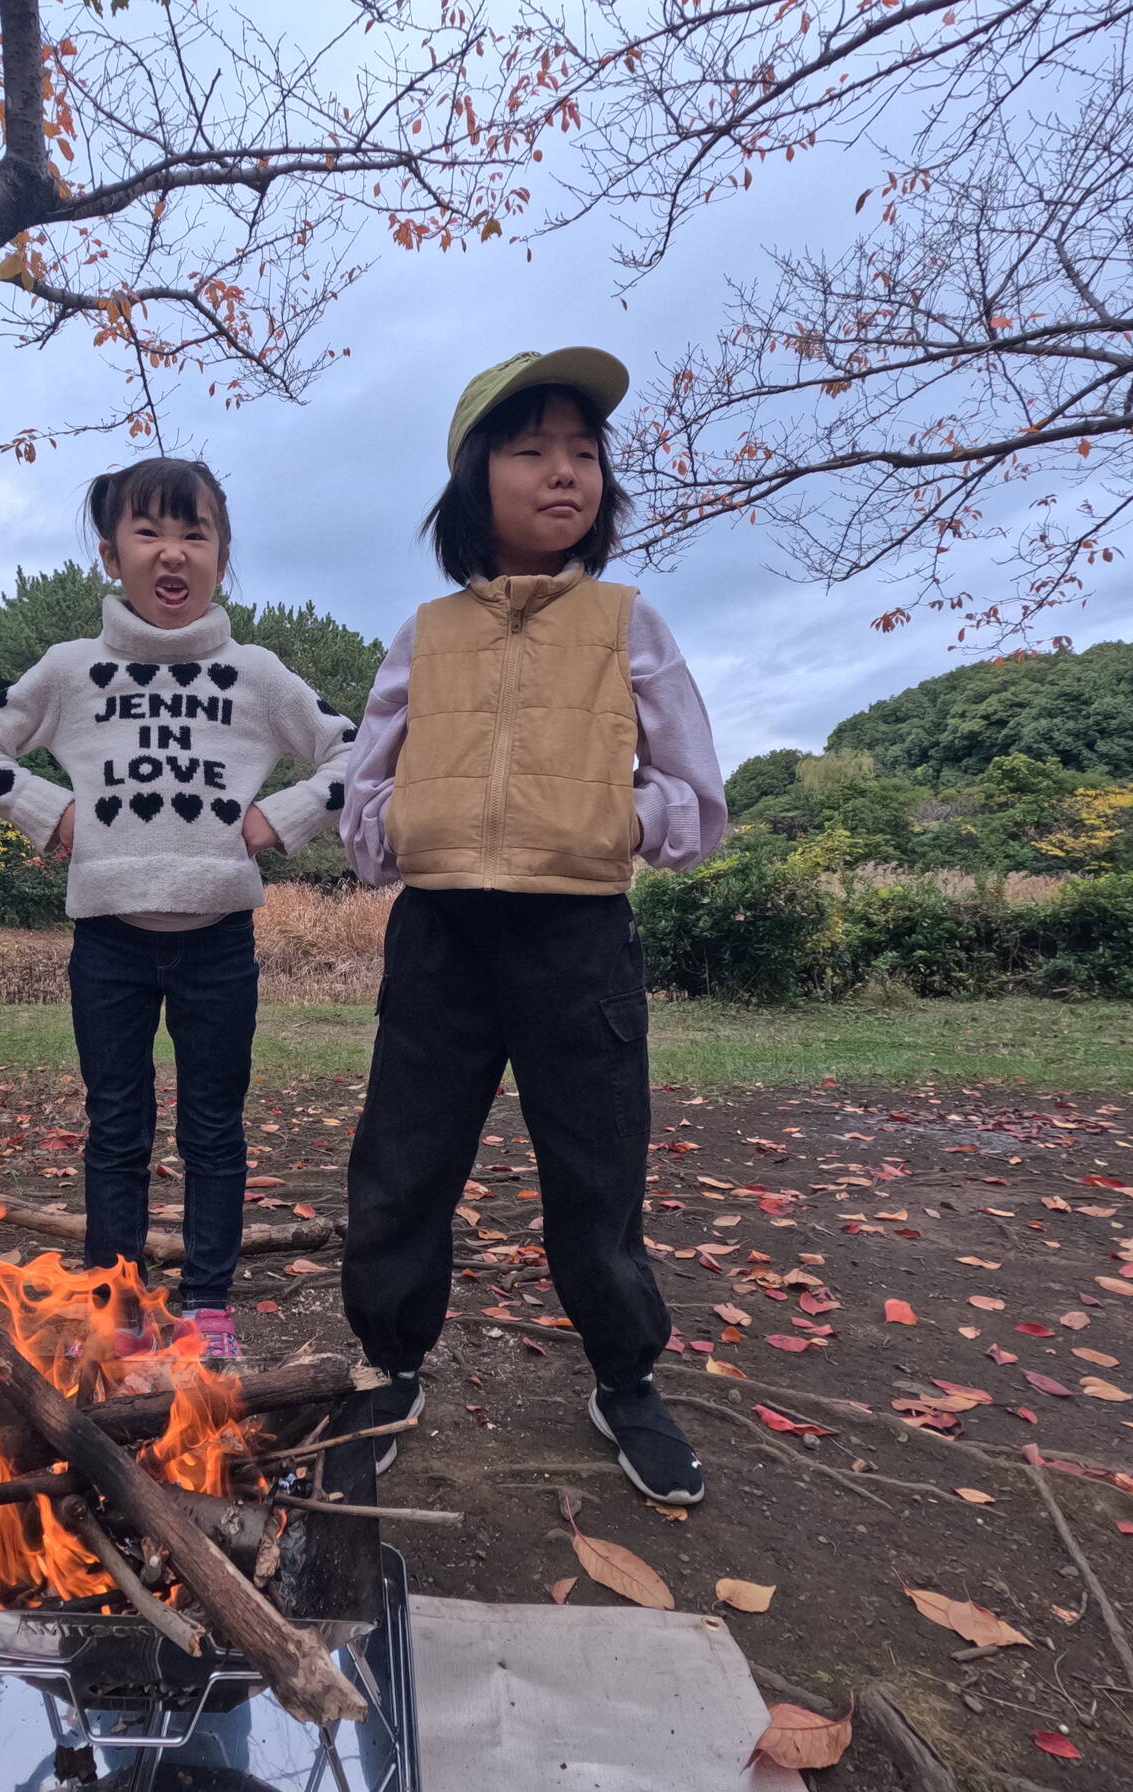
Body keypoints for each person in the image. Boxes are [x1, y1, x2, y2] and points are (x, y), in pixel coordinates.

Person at [339, 349, 728, 1501]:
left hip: (577, 940)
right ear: (474, 478)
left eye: (584, 452)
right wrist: (404, 826)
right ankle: (387, 1365)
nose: (564, 471)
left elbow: (695, 796)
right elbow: (366, 786)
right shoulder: (423, 633)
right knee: (401, 1167)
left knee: (596, 1175)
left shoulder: (626, 623)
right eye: (530, 449)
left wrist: (610, 819)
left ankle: (625, 1381)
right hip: (440, 936)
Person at [0, 458, 354, 1360]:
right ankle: (117, 1314)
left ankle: (208, 1309)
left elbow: (358, 752)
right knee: (116, 1129)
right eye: (149, 532)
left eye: (194, 534)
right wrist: (49, 810)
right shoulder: (70, 669)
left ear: (222, 556)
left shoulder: (256, 673)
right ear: (110, 555)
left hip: (220, 939)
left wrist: (281, 816)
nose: (173, 553)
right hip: (108, 939)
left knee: (214, 1129)